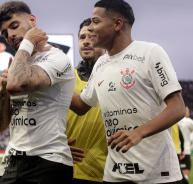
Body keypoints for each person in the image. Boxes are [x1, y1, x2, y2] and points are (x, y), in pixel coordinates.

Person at [70, 0, 186, 183]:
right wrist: (52, 80)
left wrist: (138, 132)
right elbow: (81, 105)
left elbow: (178, 107)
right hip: (115, 174)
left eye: (95, 21)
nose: (90, 28)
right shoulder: (101, 64)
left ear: (117, 24)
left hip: (156, 174)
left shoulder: (150, 52)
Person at [0, 1, 76, 183]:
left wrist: (27, 42)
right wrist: (3, 93)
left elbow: (17, 84)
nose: (10, 35)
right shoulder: (19, 66)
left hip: (48, 161)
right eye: (5, 33)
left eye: (14, 26)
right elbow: (0, 126)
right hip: (11, 163)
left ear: (32, 20)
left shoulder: (57, 58)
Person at [66, 18, 107, 183]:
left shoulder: (117, 76)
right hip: (69, 171)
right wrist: (57, 147)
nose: (86, 42)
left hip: (109, 172)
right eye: (82, 38)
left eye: (92, 36)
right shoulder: (66, 79)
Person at [177, 106, 193, 181]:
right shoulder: (189, 121)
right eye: (188, 111)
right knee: (185, 177)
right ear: (184, 112)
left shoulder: (174, 121)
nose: (189, 112)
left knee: (176, 178)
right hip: (186, 151)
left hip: (175, 152)